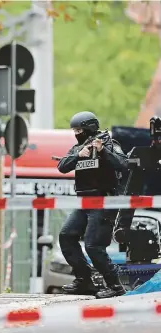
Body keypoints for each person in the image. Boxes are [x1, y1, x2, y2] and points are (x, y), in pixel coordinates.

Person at [57, 111, 128, 299]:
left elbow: (123, 165)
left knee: (93, 245)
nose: (76, 133)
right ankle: (84, 280)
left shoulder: (110, 144)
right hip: (84, 202)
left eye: (79, 130)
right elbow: (62, 166)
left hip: (104, 201)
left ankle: (115, 286)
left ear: (89, 128)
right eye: (74, 130)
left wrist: (104, 151)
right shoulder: (79, 147)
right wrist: (79, 155)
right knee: (66, 235)